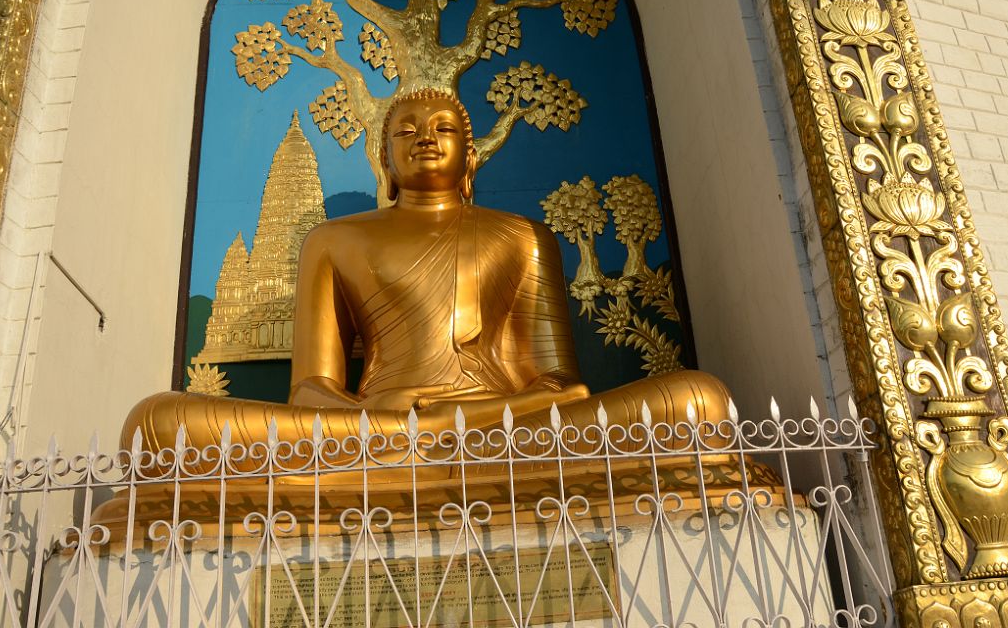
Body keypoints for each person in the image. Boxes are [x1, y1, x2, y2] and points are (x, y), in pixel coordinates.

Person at [122, 88, 731, 453]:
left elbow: (559, 390)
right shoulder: (333, 240)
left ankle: (430, 443)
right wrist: (378, 421)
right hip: (375, 428)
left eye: (444, 130)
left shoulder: (521, 237)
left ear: (472, 154)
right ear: (383, 157)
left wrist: (451, 420)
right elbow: (309, 390)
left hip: (500, 429)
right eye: (405, 132)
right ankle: (415, 446)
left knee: (697, 402)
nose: (424, 139)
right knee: (158, 426)